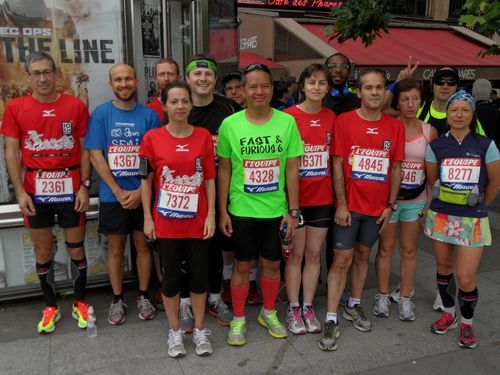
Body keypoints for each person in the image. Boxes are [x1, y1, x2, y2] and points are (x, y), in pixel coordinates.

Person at [1, 51, 91, 333]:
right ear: (28, 76)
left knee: (75, 247)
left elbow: (85, 148)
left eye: (47, 72)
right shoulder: (15, 108)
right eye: (36, 73)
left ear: (56, 73)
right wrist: (20, 193)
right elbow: (11, 152)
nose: (42, 78)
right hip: (35, 190)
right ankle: (50, 305)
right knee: (43, 249)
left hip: (70, 186)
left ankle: (79, 302)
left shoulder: (75, 106)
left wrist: (84, 186)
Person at [217, 63, 304, 346]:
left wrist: (293, 212)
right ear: (242, 91)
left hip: (275, 211)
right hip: (242, 210)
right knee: (242, 265)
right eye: (252, 86)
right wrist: (222, 211)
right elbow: (225, 171)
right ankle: (239, 318)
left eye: (264, 85)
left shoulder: (287, 122)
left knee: (272, 263)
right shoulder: (230, 124)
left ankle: (268, 313)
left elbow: (292, 169)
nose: (259, 91)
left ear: (272, 88)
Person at [320, 68, 404, 351]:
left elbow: (395, 167)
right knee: (341, 259)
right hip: (349, 207)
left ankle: (353, 305)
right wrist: (341, 204)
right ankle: (331, 316)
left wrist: (391, 205)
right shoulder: (344, 121)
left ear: (384, 91)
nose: (374, 92)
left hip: (378, 208)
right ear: (359, 92)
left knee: (363, 255)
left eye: (379, 87)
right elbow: (337, 164)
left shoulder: (395, 127)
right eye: (368, 87)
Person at [139, 81, 216, 358]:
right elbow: (146, 182)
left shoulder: (204, 136)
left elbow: (209, 177)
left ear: (191, 104)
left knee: (198, 278)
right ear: (164, 105)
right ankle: (174, 331)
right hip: (166, 222)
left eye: (185, 101)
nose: (180, 106)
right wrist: (148, 218)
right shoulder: (151, 138)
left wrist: (212, 215)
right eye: (174, 101)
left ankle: (198, 329)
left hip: (197, 222)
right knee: (170, 280)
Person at [85, 63, 161, 325]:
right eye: (118, 79)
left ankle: (143, 295)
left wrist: (141, 191)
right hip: (112, 196)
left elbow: (154, 158)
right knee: (115, 248)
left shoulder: (149, 116)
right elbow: (96, 155)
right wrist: (117, 191)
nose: (124, 84)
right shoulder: (101, 114)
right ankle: (117, 299)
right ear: (111, 84)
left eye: (128, 78)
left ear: (137, 81)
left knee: (143, 246)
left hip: (143, 195)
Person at [424, 90, 500, 348]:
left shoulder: (485, 144)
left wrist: (480, 206)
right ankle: (449, 314)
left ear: (472, 114)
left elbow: (495, 182)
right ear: (447, 113)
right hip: (442, 215)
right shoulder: (436, 146)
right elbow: (432, 180)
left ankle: (467, 323)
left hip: (471, 219)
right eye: (454, 109)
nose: (458, 115)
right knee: (444, 269)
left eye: (465, 110)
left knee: (466, 277)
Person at [179, 55, 240, 331]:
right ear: (187, 77)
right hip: (183, 191)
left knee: (214, 246)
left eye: (208, 74)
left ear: (215, 79)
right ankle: (184, 302)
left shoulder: (229, 108)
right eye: (197, 74)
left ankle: (215, 297)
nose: (203, 78)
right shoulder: (179, 107)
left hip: (219, 189)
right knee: (182, 249)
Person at [374, 79, 438, 322]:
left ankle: (405, 296)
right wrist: (393, 87)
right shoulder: (388, 126)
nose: (410, 104)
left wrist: (430, 204)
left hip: (417, 200)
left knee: (409, 250)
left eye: (415, 99)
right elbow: (376, 107)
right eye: (405, 99)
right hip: (389, 202)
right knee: (386, 249)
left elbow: (432, 173)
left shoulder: (428, 131)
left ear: (421, 101)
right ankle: (381, 295)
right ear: (397, 103)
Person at [283, 64, 335, 335]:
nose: (317, 87)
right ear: (302, 86)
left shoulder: (332, 118)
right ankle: (292, 307)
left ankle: (308, 306)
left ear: (328, 88)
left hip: (323, 198)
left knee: (315, 255)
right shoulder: (288, 117)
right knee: (295, 256)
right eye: (312, 82)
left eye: (322, 83)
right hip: (295, 201)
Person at [147, 58, 181, 123]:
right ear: (156, 79)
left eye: (170, 74)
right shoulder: (150, 109)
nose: (166, 79)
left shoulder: (186, 105)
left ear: (179, 78)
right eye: (162, 74)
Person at [472, 79, 499, 147]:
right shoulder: (495, 110)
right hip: (493, 148)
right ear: (489, 92)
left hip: (474, 149)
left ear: (474, 91)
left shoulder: (471, 110)